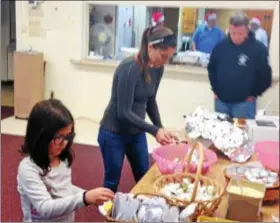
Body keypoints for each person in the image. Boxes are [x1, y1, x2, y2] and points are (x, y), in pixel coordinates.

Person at [98, 25, 178, 193]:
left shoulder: (158, 68)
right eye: (163, 56)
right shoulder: (129, 68)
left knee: (144, 176)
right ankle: (108, 217)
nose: (165, 61)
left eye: (169, 57)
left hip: (136, 132)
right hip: (113, 133)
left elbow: (151, 100)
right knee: (112, 182)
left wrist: (160, 127)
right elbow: (124, 112)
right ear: (150, 47)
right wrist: (155, 130)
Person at [17, 99, 114, 222]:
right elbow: (45, 208)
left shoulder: (61, 160)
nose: (64, 143)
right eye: (58, 137)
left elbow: (64, 188)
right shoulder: (28, 169)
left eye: (68, 136)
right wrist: (85, 198)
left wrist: (91, 195)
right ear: (40, 137)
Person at [208, 11, 272, 119]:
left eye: (240, 33)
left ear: (247, 30)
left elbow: (265, 76)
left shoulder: (258, 49)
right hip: (221, 102)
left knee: (243, 134)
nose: (236, 37)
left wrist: (254, 94)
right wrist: (215, 90)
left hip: (244, 104)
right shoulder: (220, 47)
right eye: (233, 33)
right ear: (229, 29)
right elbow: (212, 69)